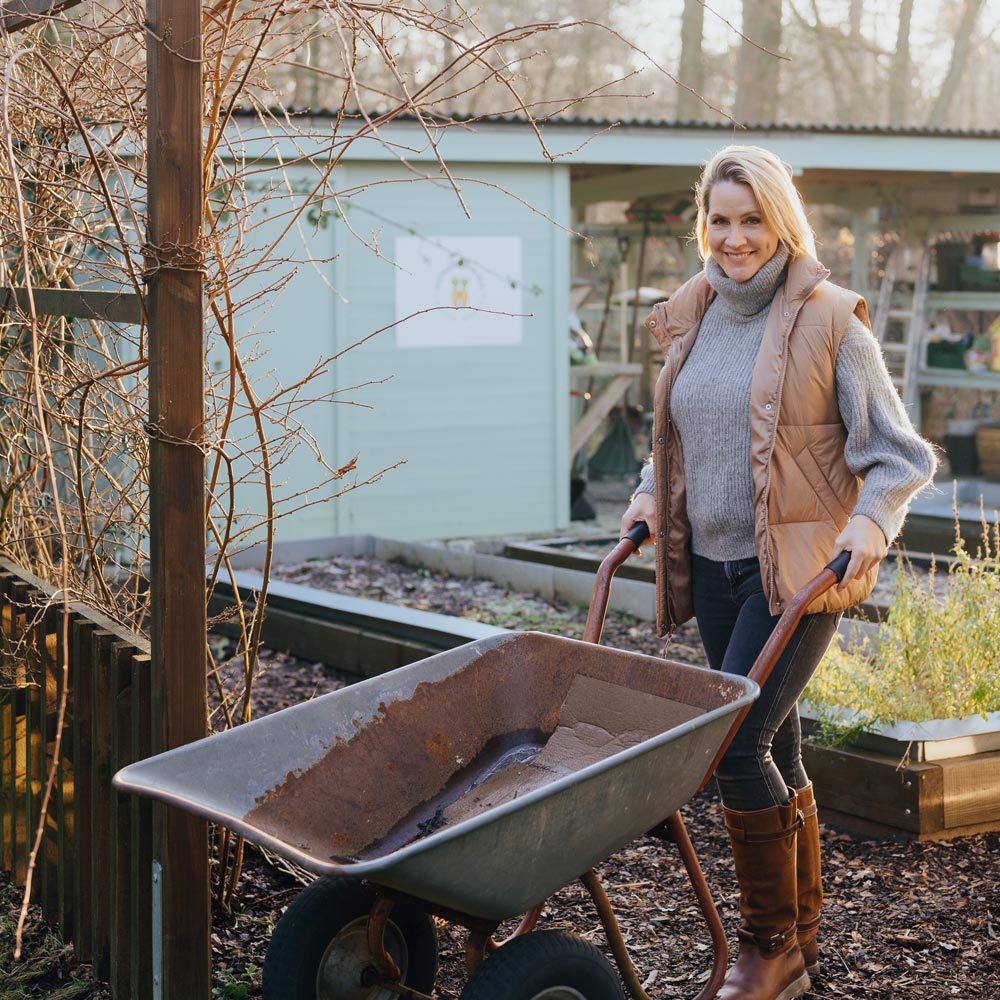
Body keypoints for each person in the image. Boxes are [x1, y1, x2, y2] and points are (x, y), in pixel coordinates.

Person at [620, 145, 935, 1000]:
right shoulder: (694, 311)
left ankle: (767, 947)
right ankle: (801, 941)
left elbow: (900, 455)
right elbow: (679, 434)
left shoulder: (831, 321)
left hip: (796, 574)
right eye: (720, 220)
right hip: (713, 567)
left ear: (782, 221)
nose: (734, 238)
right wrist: (649, 494)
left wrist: (872, 519)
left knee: (735, 744)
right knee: (775, 745)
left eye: (752, 219)